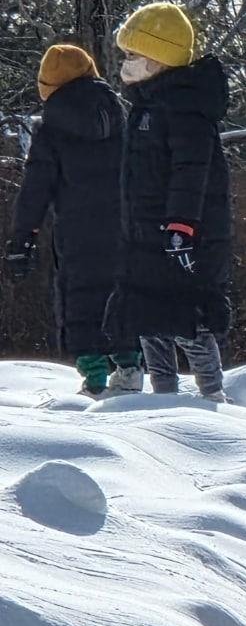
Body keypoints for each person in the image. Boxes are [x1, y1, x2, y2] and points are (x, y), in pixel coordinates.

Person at [104, 2, 233, 401]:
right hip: (144, 232)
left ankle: (212, 394)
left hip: (180, 234)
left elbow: (191, 172)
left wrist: (181, 224)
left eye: (133, 56)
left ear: (158, 59)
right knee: (148, 318)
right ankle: (162, 399)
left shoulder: (185, 110)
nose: (126, 64)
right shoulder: (146, 106)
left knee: (184, 318)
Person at [5, 44, 142, 397]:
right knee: (120, 291)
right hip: (124, 225)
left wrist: (23, 235)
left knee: (80, 295)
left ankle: (94, 376)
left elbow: (36, 186)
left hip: (78, 231)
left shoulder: (51, 130)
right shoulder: (120, 114)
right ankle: (129, 365)